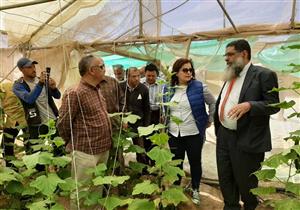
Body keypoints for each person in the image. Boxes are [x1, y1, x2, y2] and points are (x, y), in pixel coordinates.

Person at [214, 39, 280, 210]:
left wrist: (250, 105)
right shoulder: (231, 73)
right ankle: (230, 207)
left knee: (246, 184)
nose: (226, 58)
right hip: (224, 136)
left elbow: (274, 105)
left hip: (246, 139)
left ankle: (250, 206)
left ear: (244, 54)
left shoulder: (263, 75)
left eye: (230, 54)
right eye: (225, 55)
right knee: (225, 178)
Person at [57, 55, 112, 209]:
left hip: (102, 148)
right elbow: (63, 123)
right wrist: (72, 142)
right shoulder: (75, 92)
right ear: (92, 71)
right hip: (84, 151)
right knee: (81, 190)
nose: (104, 68)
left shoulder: (97, 89)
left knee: (97, 187)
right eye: (101, 66)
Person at [162, 58, 216, 205]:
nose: (189, 72)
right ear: (176, 72)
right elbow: (165, 108)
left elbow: (213, 102)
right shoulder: (167, 89)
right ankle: (176, 189)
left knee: (195, 163)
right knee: (176, 163)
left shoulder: (199, 87)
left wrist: (209, 120)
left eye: (190, 69)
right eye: (185, 70)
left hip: (193, 134)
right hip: (174, 134)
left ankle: (195, 189)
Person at [13, 57, 61, 153]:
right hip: (35, 123)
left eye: (34, 66)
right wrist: (40, 84)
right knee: (37, 152)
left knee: (59, 149)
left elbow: (57, 96)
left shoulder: (41, 80)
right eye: (29, 67)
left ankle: (58, 167)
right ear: (21, 70)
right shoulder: (18, 85)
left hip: (52, 120)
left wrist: (54, 88)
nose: (33, 69)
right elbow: (29, 99)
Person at [120, 67, 150, 165]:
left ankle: (143, 170)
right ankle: (120, 169)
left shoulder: (143, 89)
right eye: (134, 76)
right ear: (127, 77)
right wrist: (122, 120)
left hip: (138, 124)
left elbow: (147, 109)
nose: (137, 78)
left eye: (138, 76)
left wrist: (145, 127)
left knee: (140, 149)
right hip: (123, 123)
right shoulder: (120, 87)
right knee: (119, 148)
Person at [141, 63, 164, 165]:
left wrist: (163, 115)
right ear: (145, 74)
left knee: (155, 139)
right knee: (144, 138)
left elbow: (165, 100)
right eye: (148, 76)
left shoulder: (162, 84)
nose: (150, 78)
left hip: (156, 114)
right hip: (144, 114)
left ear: (157, 75)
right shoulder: (140, 83)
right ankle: (145, 163)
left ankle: (154, 163)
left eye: (153, 76)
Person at [0, 81, 27, 167]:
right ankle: (11, 168)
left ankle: (35, 168)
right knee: (6, 145)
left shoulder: (10, 85)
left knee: (29, 143)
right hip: (11, 120)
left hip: (24, 118)